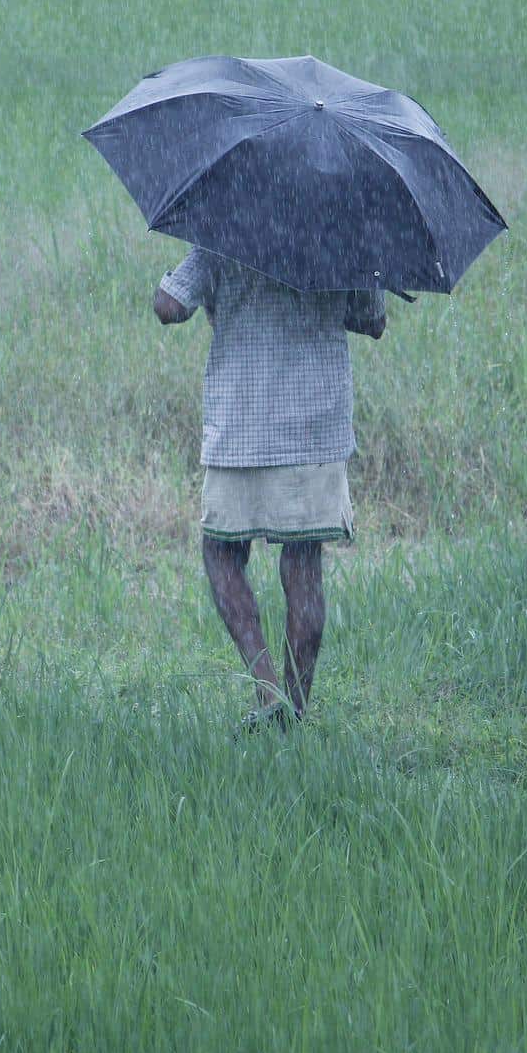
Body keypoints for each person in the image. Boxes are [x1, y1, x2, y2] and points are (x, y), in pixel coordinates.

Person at [153, 246, 386, 731]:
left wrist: (199, 285)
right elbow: (371, 320)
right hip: (313, 427)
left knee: (221, 553)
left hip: (241, 421)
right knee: (303, 566)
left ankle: (267, 686)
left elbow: (169, 307)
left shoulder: (226, 229)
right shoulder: (340, 233)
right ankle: (295, 713)